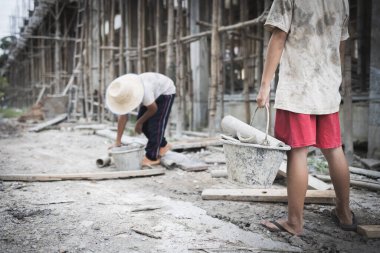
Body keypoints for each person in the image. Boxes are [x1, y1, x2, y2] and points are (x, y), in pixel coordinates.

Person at [256, 0, 357, 236]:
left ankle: (295, 222)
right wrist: (333, 78)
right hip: (327, 86)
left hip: (298, 87)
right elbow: (341, 44)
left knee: (298, 151)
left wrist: (264, 85)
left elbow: (279, 37)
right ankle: (344, 213)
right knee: (334, 149)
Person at [106, 72, 176, 167]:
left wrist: (139, 122)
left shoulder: (145, 91)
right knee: (144, 126)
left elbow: (153, 109)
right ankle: (163, 145)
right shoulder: (124, 92)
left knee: (156, 124)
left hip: (165, 91)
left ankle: (152, 157)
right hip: (153, 91)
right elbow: (123, 117)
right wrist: (118, 141)